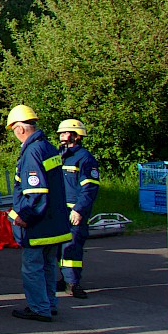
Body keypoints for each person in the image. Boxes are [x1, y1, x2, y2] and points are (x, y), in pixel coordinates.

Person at [5, 105, 71, 322]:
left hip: (38, 224)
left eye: (13, 128)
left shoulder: (31, 151)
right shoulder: (48, 147)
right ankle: (49, 304)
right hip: (54, 221)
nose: (14, 133)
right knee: (49, 265)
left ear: (21, 128)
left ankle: (39, 308)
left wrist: (24, 217)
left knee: (32, 268)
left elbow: (36, 192)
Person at [56, 118, 100, 299]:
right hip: (59, 210)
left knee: (72, 246)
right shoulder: (59, 155)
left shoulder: (84, 158)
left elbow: (89, 188)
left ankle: (73, 283)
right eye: (60, 133)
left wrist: (79, 210)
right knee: (60, 247)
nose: (61, 136)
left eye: (65, 133)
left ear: (76, 135)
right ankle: (64, 278)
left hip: (74, 211)